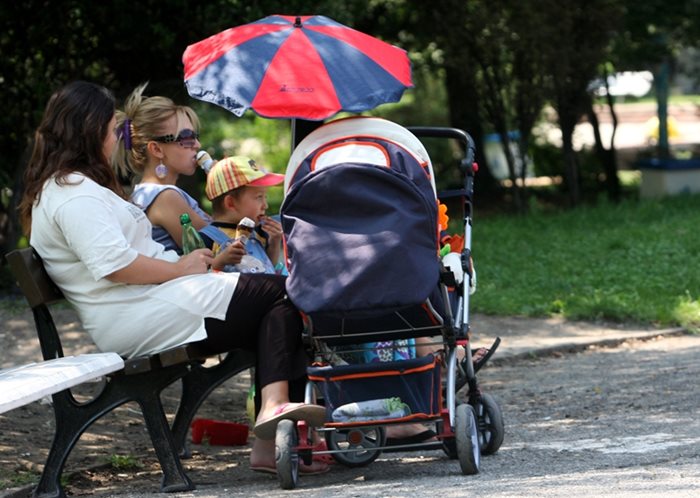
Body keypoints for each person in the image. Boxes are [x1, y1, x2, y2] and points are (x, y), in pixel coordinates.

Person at [18, 81, 328, 475]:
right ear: (89, 130)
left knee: (280, 304)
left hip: (155, 302)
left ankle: (272, 431)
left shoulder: (77, 188)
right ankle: (275, 425)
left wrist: (197, 266)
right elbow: (114, 265)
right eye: (112, 130)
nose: (117, 139)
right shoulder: (73, 194)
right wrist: (180, 268)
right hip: (138, 314)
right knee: (284, 295)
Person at [111, 83, 241, 274]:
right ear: (156, 149)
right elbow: (221, 249)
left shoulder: (148, 192)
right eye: (187, 137)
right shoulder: (165, 198)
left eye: (195, 136)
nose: (197, 144)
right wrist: (228, 191)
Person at [201, 155, 285, 274]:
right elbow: (199, 280)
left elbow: (268, 269)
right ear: (230, 203)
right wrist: (220, 261)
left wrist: (275, 242)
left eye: (265, 197)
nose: (265, 205)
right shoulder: (207, 239)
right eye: (259, 197)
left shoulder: (258, 233)